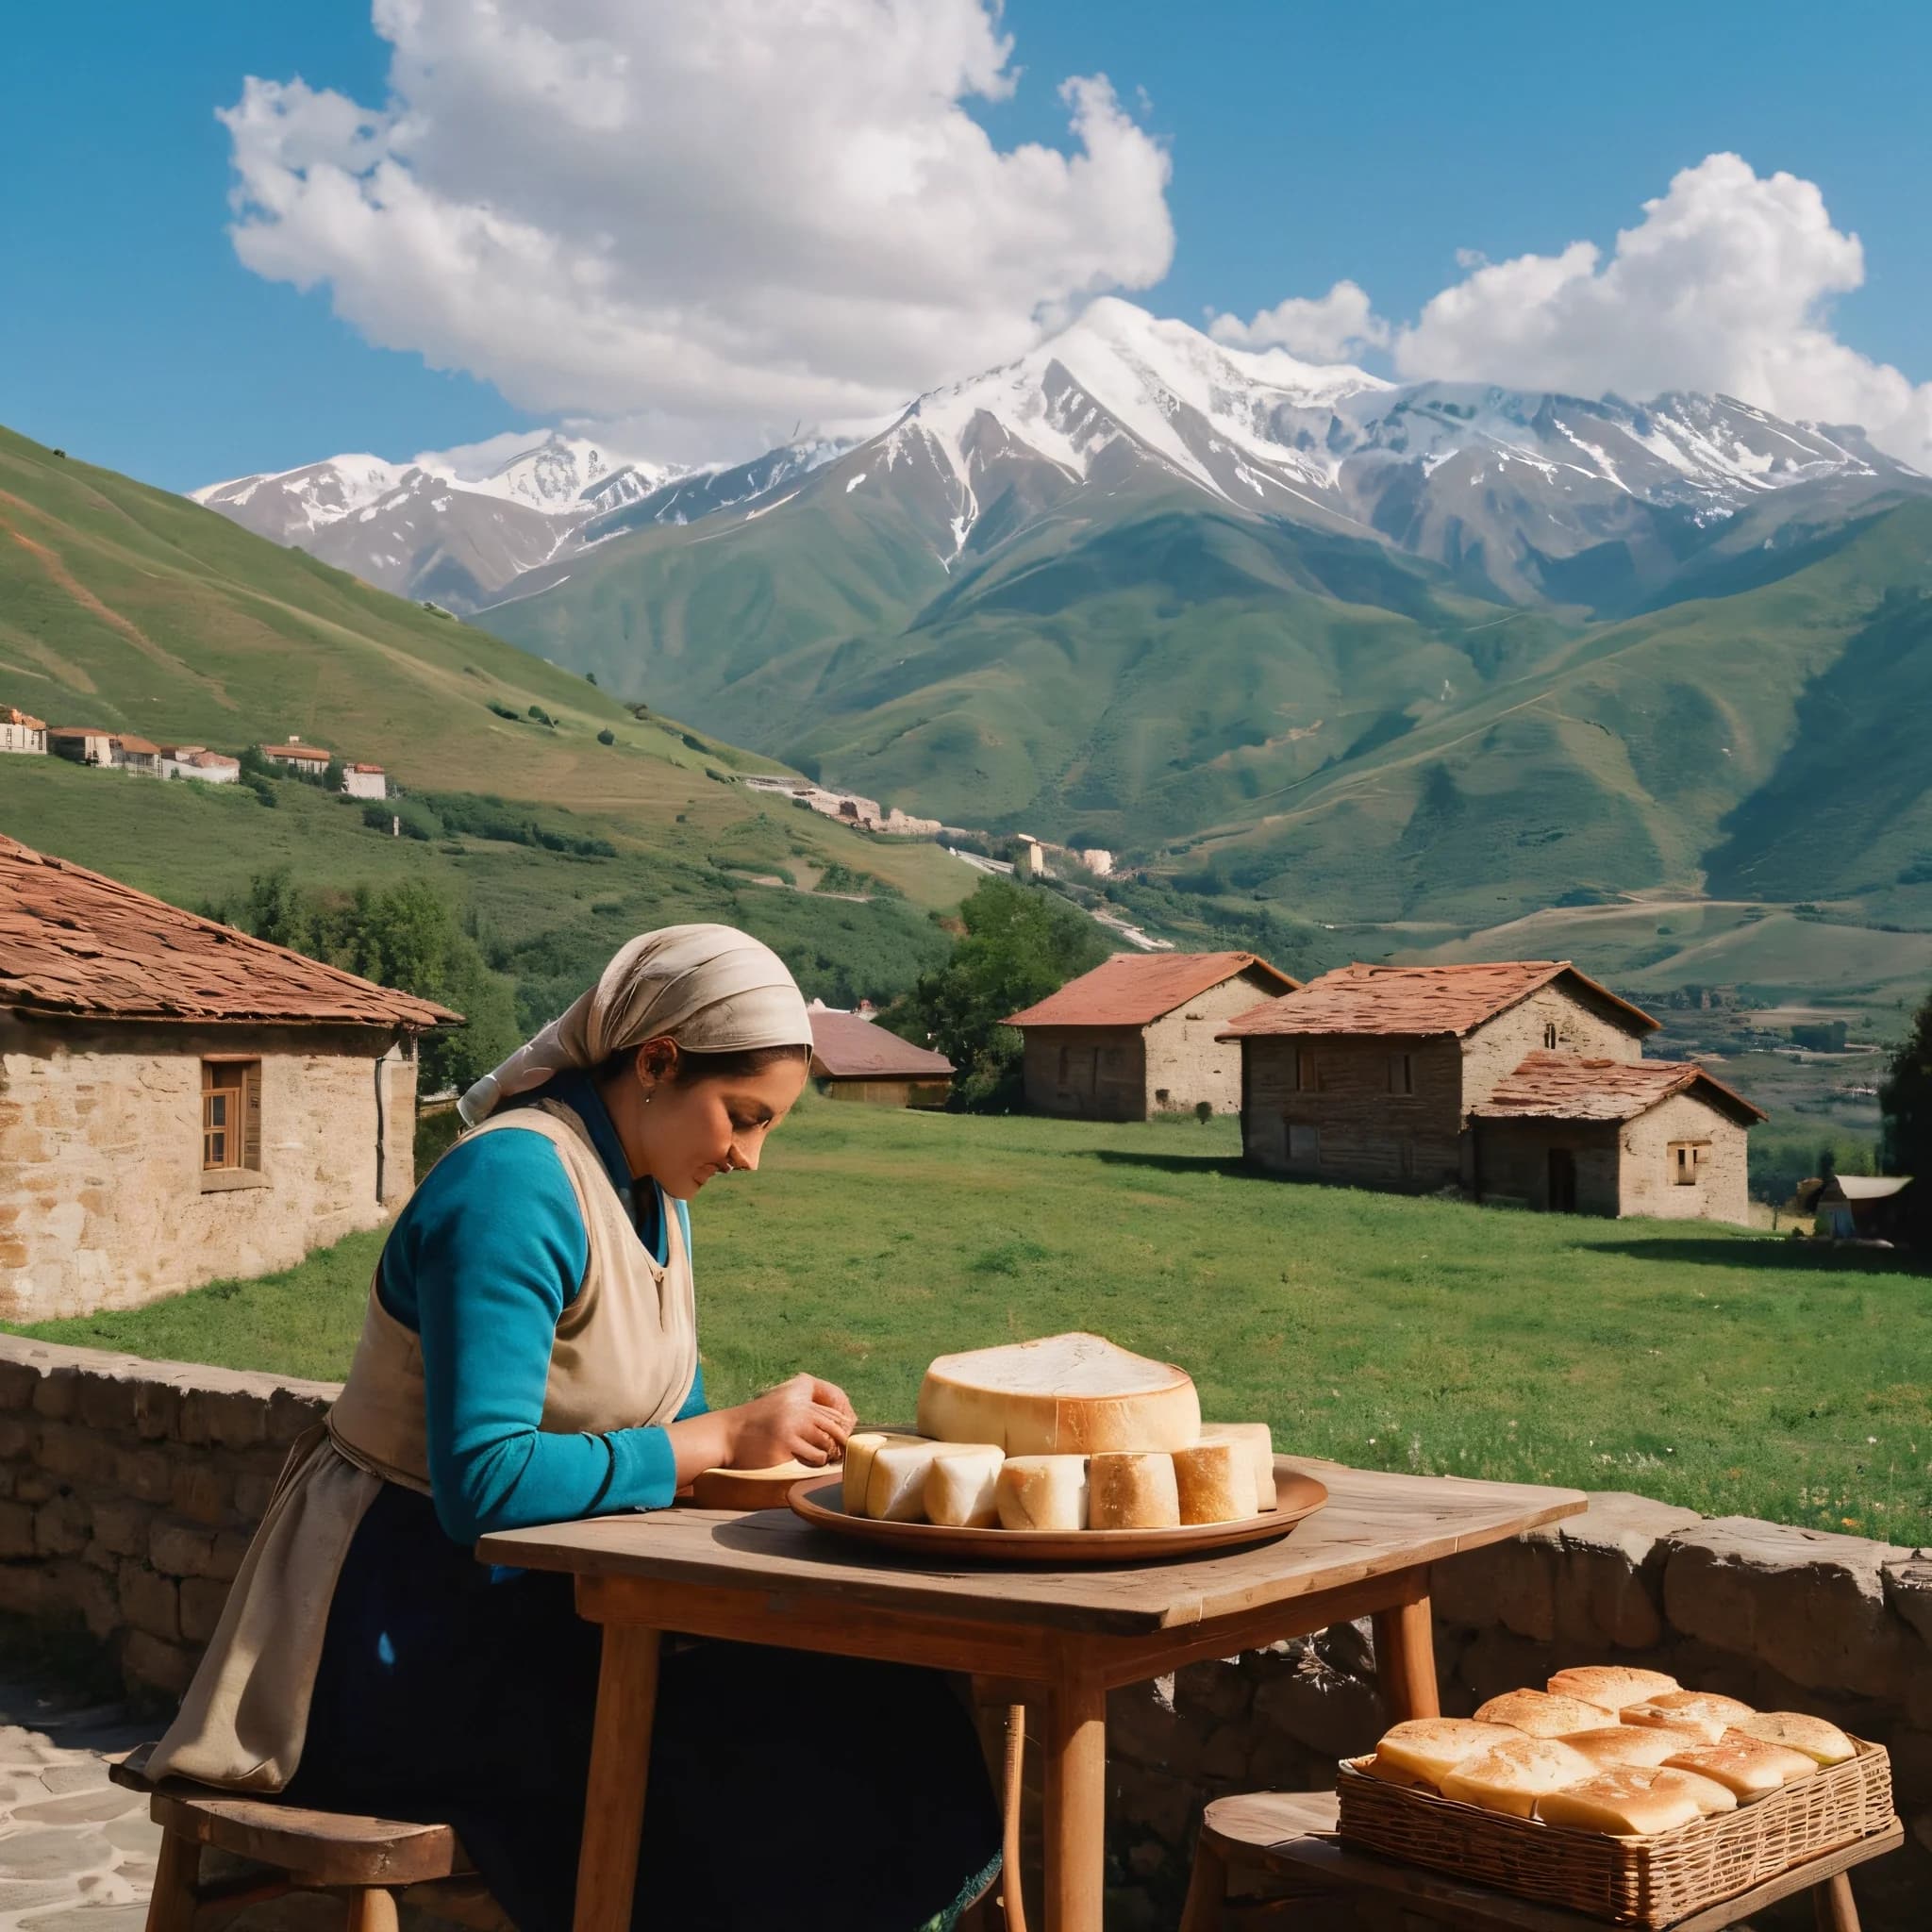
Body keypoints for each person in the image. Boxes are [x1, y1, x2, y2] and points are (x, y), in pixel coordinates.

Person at [150, 925, 1002, 1932]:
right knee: (760, 1751)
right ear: (655, 1061)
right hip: (407, 1633)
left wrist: (757, 1435)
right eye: (741, 1116)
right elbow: (486, 1484)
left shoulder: (647, 1189)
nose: (749, 1156)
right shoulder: (510, 1187)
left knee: (872, 1703)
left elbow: (643, 1413)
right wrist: (719, 1440)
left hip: (538, 1616)